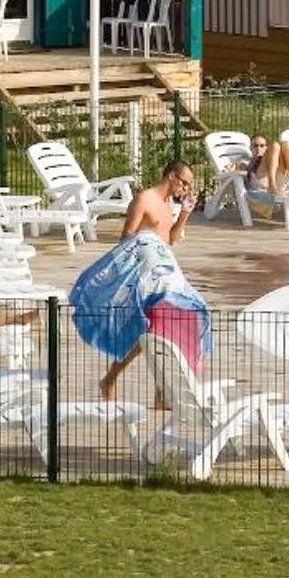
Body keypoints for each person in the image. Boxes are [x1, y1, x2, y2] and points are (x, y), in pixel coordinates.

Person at [74, 159, 213, 402]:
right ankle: (115, 380)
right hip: (147, 276)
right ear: (171, 176)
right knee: (150, 329)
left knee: (163, 329)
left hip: (165, 269)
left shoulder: (168, 206)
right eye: (185, 182)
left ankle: (154, 390)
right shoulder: (144, 199)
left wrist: (186, 214)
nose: (186, 188)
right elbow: (127, 236)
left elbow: (171, 239)